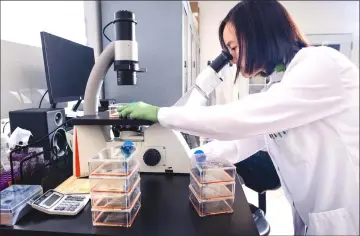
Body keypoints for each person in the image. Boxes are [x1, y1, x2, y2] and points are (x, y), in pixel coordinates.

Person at [117, 0, 359, 235]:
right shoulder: (280, 85)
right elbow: (243, 141)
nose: (232, 59)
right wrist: (182, 161)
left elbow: (243, 118)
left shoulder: (322, 64)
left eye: (233, 47)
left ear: (260, 33)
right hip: (317, 218)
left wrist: (161, 114)